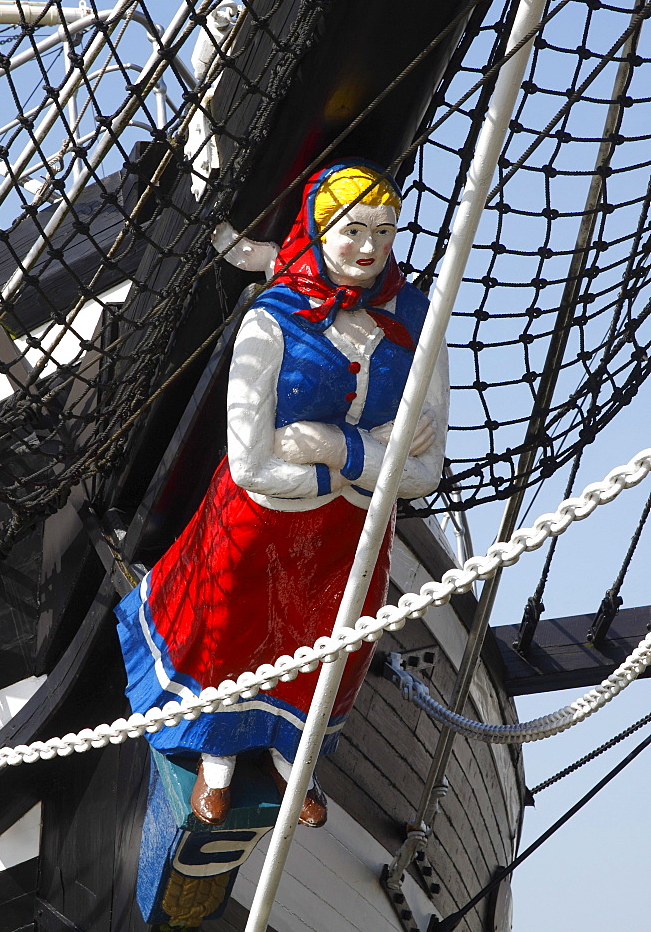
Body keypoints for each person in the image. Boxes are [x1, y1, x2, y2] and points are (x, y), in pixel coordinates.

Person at [115, 160, 449, 829]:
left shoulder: (419, 321)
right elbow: (250, 466)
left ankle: (294, 754)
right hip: (260, 526)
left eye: (384, 233)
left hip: (349, 538)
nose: (368, 249)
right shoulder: (273, 322)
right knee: (233, 636)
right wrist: (371, 457)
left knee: (331, 645)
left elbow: (424, 474)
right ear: (319, 230)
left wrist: (328, 446)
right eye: (352, 230)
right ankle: (215, 760)